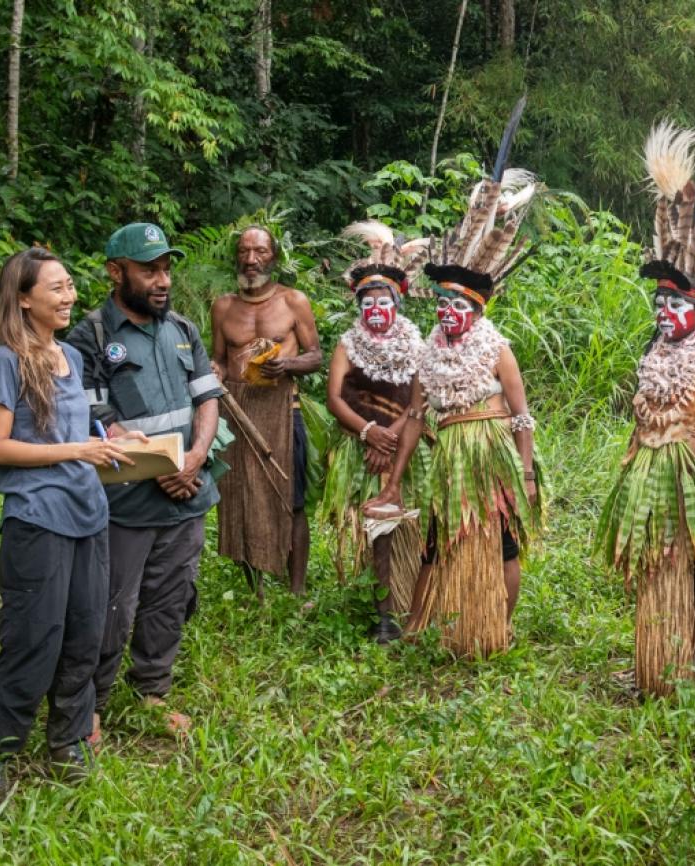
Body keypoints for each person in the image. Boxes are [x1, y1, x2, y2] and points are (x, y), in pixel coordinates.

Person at [0, 248, 132, 802]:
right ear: (23, 298)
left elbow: (79, 427)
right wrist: (77, 449)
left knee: (85, 636)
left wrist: (110, 441)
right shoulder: (5, 360)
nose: (69, 297)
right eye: (56, 289)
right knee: (32, 640)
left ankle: (67, 742)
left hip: (89, 515)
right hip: (38, 521)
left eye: (69, 286)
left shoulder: (67, 356)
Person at [596, 116, 695, 696]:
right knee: (656, 575)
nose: (663, 312)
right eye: (658, 301)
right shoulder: (657, 346)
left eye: (674, 303)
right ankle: (661, 665)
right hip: (652, 478)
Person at [68, 222, 223, 738]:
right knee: (112, 604)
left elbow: (207, 399)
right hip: (126, 501)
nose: (162, 280)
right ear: (116, 272)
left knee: (171, 598)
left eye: (166, 268)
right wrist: (161, 464)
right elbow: (97, 418)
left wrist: (196, 458)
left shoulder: (183, 329)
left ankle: (152, 690)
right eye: (148, 269)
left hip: (187, 497)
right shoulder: (89, 337)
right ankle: (89, 703)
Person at [383, 161, 542, 658]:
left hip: (491, 454)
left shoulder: (498, 349)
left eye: (458, 306)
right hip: (452, 454)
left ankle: (501, 623)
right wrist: (394, 479)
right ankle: (416, 627)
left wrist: (527, 472)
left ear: (477, 311)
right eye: (442, 304)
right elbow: (414, 417)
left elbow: (520, 415)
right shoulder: (426, 354)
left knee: (501, 543)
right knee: (436, 540)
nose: (448, 313)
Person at [322, 222, 430, 643]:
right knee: (375, 528)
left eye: (383, 302)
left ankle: (411, 600)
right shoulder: (348, 346)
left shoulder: (416, 345)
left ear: (397, 304)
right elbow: (334, 399)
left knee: (410, 524)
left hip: (406, 445)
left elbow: (418, 403)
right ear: (358, 306)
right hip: (360, 445)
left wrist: (391, 437)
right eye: (368, 303)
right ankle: (383, 609)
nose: (375, 310)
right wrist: (368, 432)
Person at [210, 226, 322, 595]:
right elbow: (221, 361)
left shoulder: (293, 301)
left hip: (280, 406)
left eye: (259, 251)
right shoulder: (223, 307)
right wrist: (216, 371)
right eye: (244, 251)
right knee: (240, 496)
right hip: (238, 411)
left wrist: (287, 365)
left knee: (290, 497)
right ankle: (254, 586)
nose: (251, 259)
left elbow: (315, 356)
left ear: (273, 256)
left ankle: (297, 588)